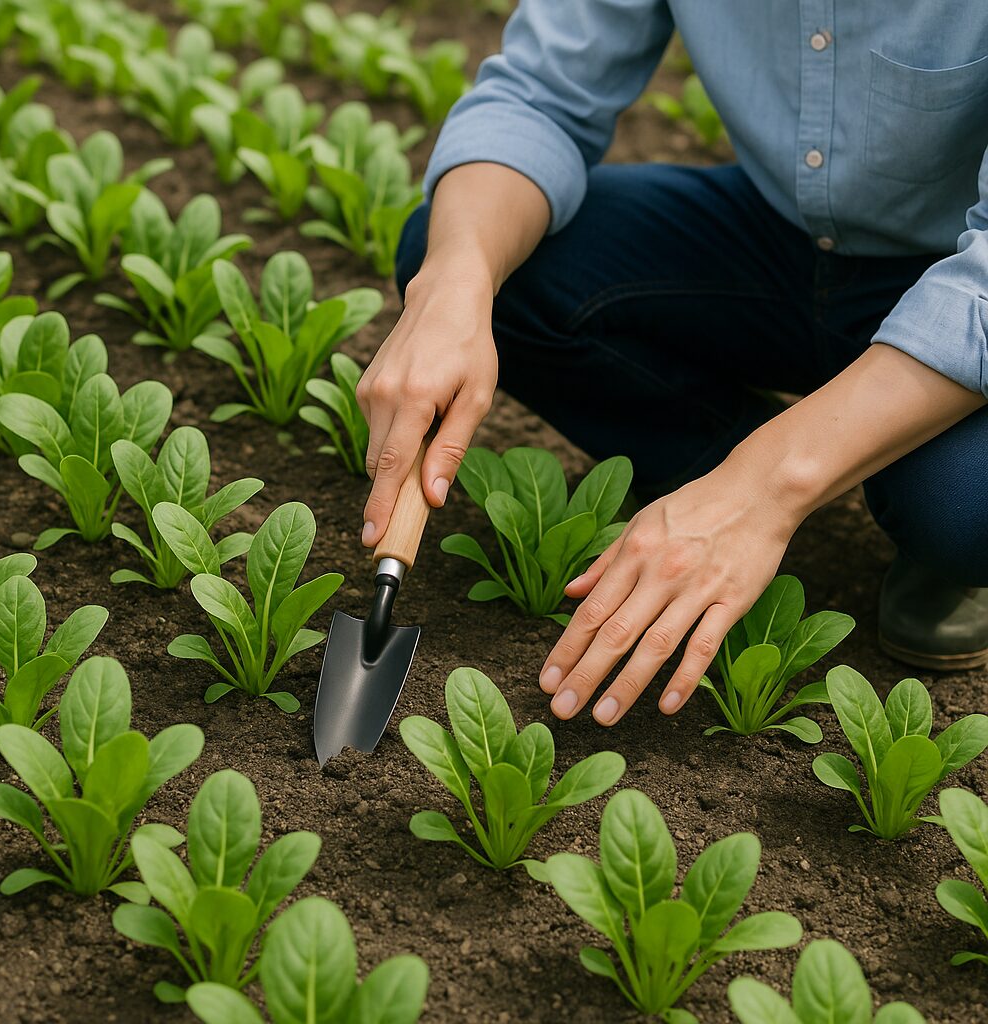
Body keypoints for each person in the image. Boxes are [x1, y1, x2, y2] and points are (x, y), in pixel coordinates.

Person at [355, 0, 988, 729]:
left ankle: (799, 489)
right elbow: (540, 93)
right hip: (781, 237)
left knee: (962, 505)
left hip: (956, 266)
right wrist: (456, 279)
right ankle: (720, 476)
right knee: (472, 260)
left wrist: (769, 484)